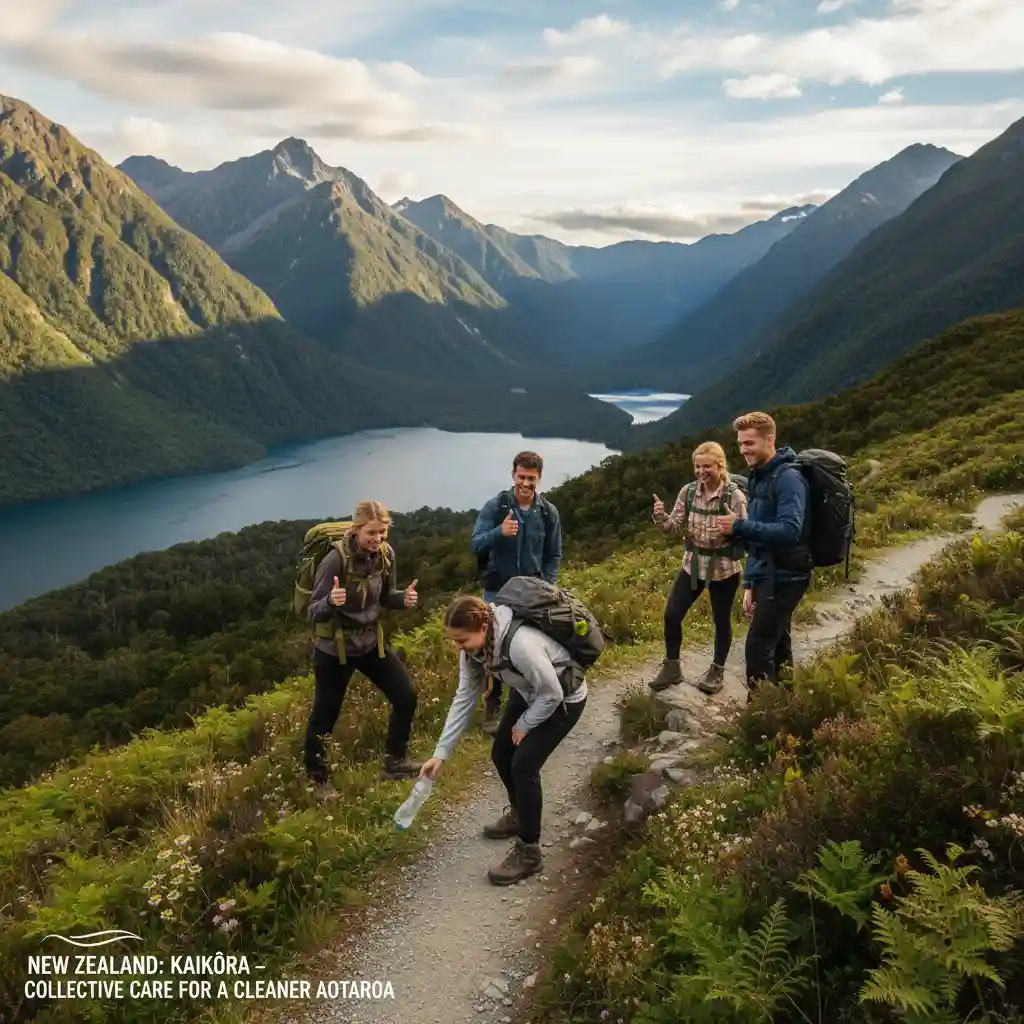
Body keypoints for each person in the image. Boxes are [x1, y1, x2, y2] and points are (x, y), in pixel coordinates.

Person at [419, 594, 586, 886]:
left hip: (564, 698)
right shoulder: (475, 651)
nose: (458, 648)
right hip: (529, 692)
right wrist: (440, 753)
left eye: (461, 640)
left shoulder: (521, 646)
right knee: (501, 754)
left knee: (523, 765)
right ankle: (520, 813)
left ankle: (529, 850)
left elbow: (552, 694)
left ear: (483, 627)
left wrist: (525, 724)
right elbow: (464, 699)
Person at [305, 500, 422, 798]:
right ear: (356, 529)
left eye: (383, 533)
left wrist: (403, 599)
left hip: (370, 641)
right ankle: (318, 780)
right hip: (335, 649)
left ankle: (395, 761)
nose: (378, 539)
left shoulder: (385, 554)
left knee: (405, 696)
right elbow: (312, 610)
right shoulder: (335, 560)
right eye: (372, 533)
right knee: (325, 715)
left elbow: (386, 596)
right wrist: (332, 601)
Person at [714, 412, 811, 696]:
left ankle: (760, 721)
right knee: (779, 643)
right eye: (741, 443)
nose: (743, 449)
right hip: (769, 573)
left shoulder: (789, 478)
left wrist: (739, 525)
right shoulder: (759, 476)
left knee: (757, 647)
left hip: (788, 574)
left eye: (750, 443)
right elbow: (760, 540)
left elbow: (790, 530)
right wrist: (750, 584)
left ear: (770, 440)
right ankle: (787, 709)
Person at [470, 451, 563, 733]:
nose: (526, 483)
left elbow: (554, 554)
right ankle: (493, 705)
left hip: (532, 592)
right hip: (498, 591)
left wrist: (548, 585)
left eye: (531, 479)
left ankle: (526, 704)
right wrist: (500, 532)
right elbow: (475, 545)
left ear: (539, 479)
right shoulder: (495, 507)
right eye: (521, 477)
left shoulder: (548, 512)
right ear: (513, 475)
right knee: (493, 650)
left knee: (529, 647)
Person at [648, 441, 748, 695]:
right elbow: (672, 528)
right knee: (672, 615)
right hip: (692, 565)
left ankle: (717, 671)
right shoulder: (689, 492)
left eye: (707, 466)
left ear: (720, 465)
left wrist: (729, 531)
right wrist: (660, 516)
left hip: (724, 569)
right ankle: (672, 668)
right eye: (697, 466)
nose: (702, 471)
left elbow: (748, 534)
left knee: (721, 620)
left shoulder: (733, 496)